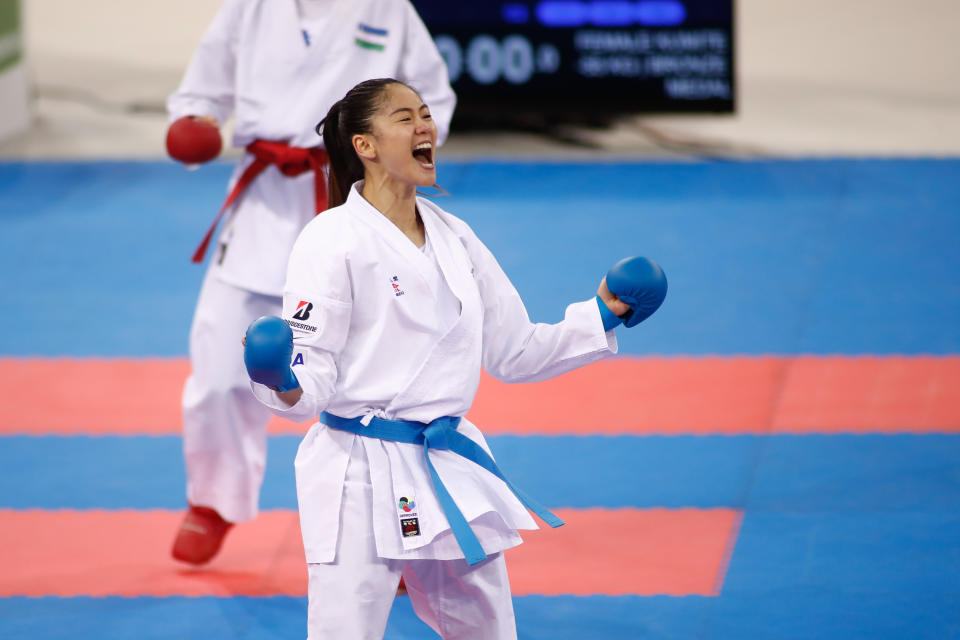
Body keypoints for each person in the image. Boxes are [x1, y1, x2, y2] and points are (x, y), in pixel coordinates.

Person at [242, 78, 667, 639]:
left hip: (446, 464)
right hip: (357, 473)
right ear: (365, 145)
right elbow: (310, 380)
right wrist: (280, 378)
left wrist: (601, 315)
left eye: (425, 115)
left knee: (489, 631)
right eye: (404, 118)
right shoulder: (331, 240)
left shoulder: (454, 236)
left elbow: (516, 351)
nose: (425, 126)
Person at [166, 0, 456, 565]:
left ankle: (404, 534)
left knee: (385, 383)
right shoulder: (250, 8)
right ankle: (214, 500)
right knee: (220, 369)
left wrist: (400, 148)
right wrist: (195, 122)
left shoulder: (387, 9)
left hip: (357, 199)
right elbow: (202, 90)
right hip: (266, 204)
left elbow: (432, 99)